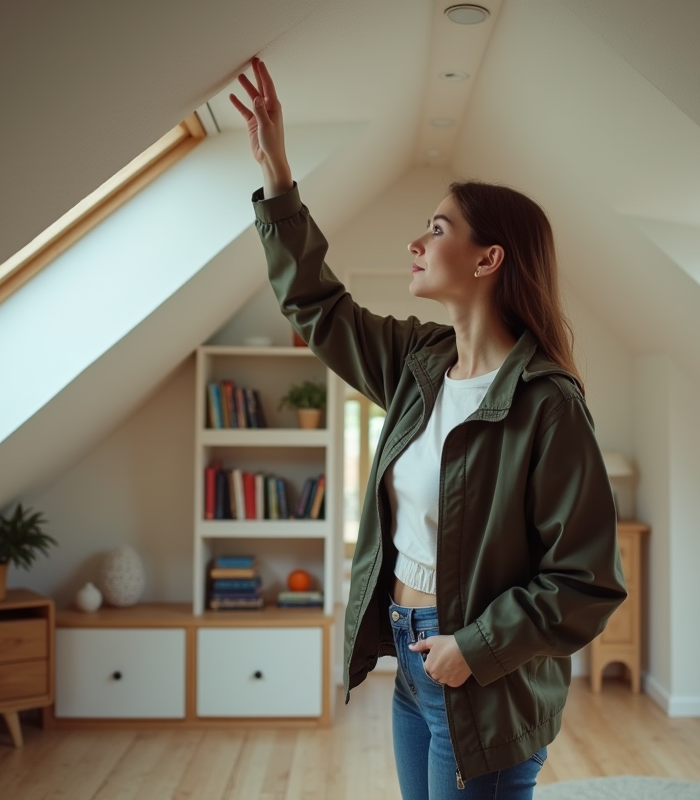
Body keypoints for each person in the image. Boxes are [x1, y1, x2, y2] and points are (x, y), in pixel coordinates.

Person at [231, 57, 627, 800]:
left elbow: (588, 581)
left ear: (489, 258)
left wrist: (471, 649)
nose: (417, 242)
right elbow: (319, 308)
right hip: (413, 657)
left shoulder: (548, 403)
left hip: (480, 675)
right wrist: (279, 176)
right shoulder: (419, 361)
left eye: (436, 228)